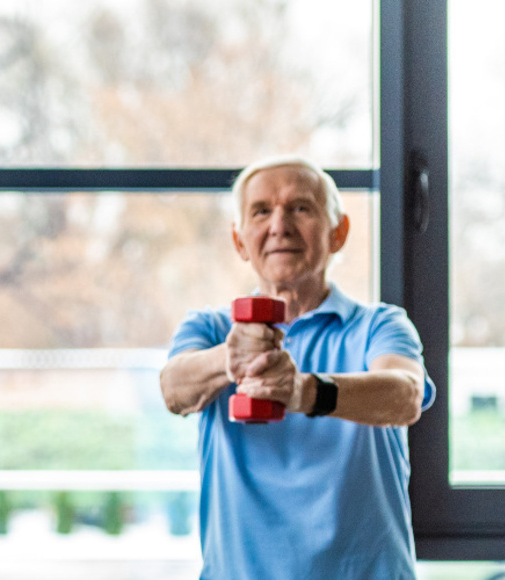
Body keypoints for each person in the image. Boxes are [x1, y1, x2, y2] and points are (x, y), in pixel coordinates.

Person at [160, 155, 434, 579]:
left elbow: (405, 395)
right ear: (239, 240)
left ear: (338, 232)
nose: (279, 225)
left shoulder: (379, 325)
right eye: (261, 211)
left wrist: (305, 392)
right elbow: (173, 388)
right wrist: (228, 359)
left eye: (301, 208)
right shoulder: (212, 328)